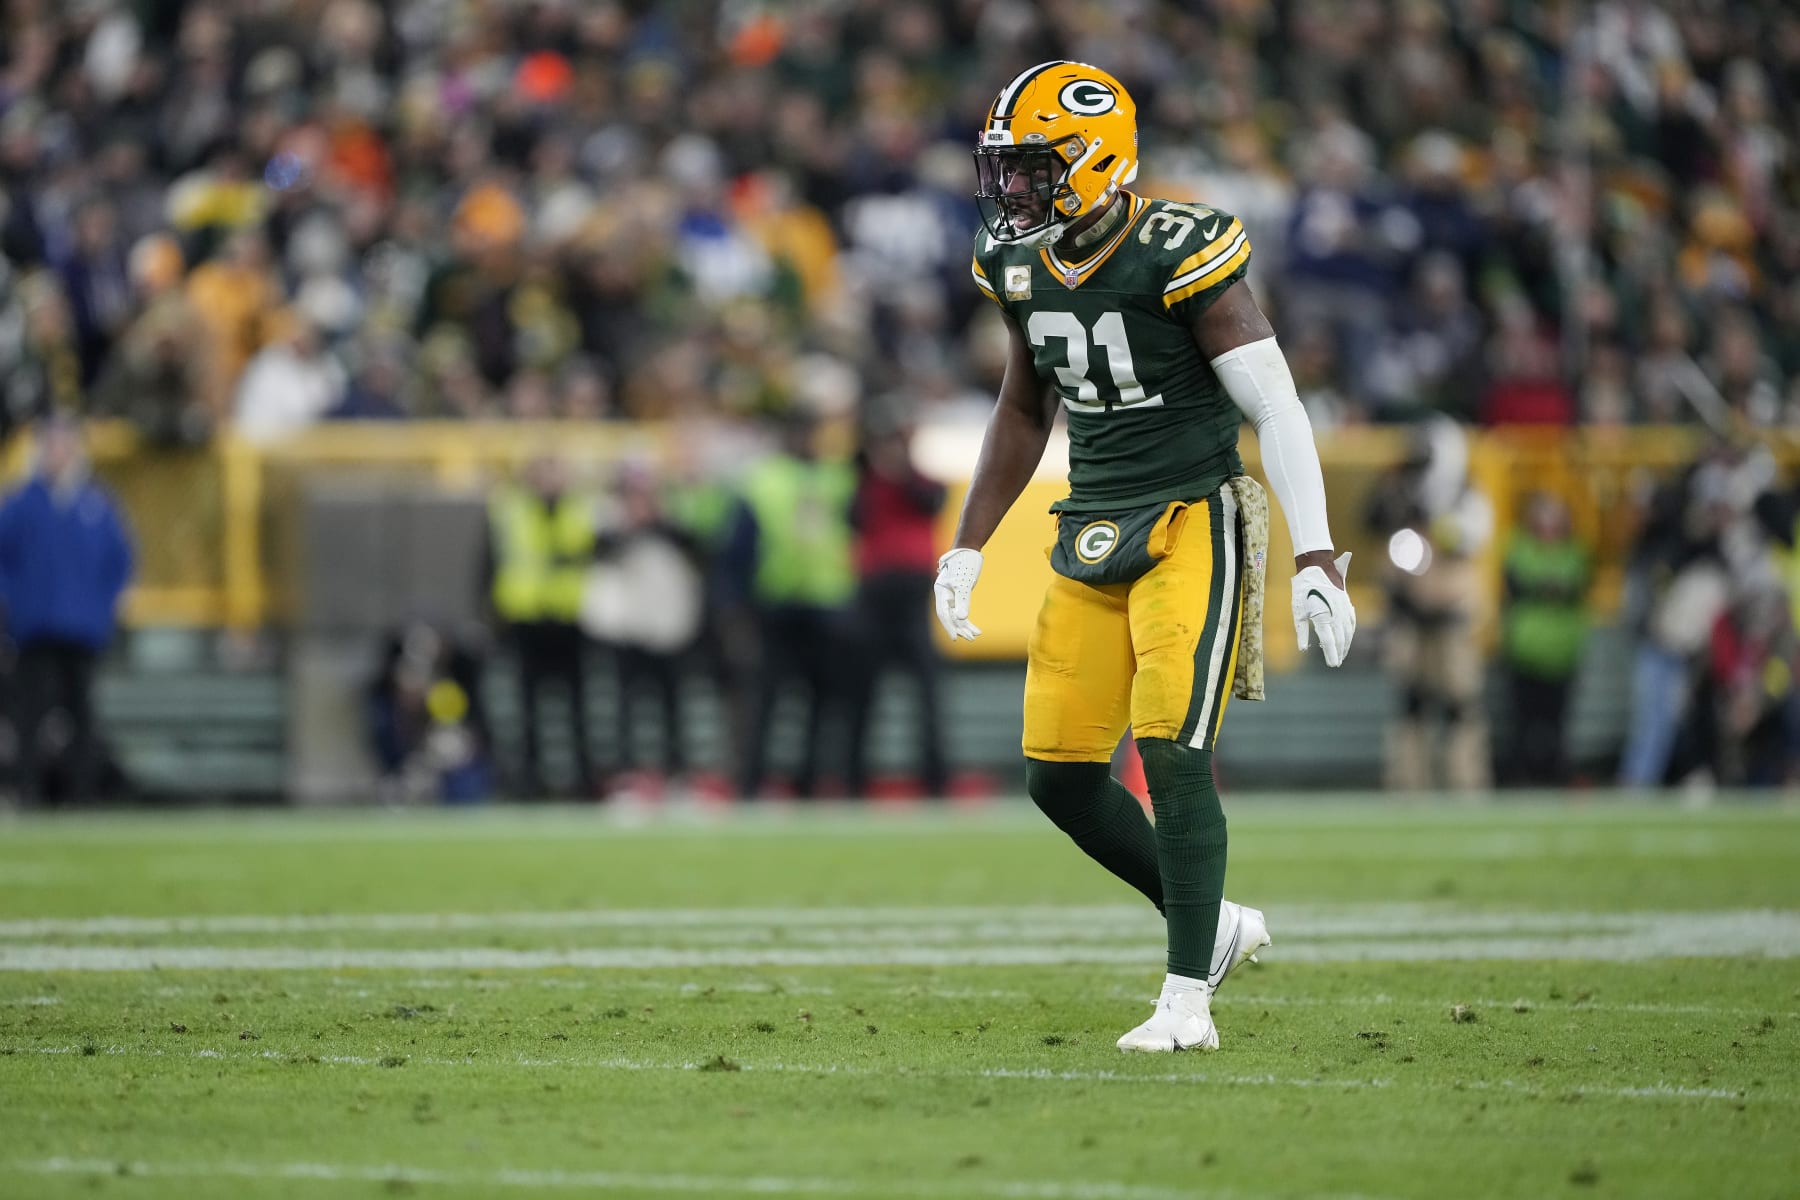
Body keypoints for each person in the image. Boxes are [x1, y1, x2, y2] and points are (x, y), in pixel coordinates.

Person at [934, 63, 1355, 1053]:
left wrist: (1317, 554)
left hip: (1193, 517)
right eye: (1005, 169)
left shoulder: (1178, 247)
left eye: (1033, 168)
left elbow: (1275, 405)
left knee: (1171, 747)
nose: (1012, 189)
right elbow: (1022, 407)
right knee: (1059, 775)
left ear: (1097, 160)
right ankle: (1215, 924)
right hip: (1090, 525)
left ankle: (1186, 1002)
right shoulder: (1017, 263)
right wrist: (968, 545)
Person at [722, 410, 857, 799]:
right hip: (777, 604)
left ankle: (810, 782)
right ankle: (751, 783)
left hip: (827, 603)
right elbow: (738, 548)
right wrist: (735, 606)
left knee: (822, 704)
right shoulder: (764, 479)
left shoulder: (837, 477)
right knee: (766, 700)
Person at [0, 416, 134, 805]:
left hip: (82, 628)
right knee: (30, 715)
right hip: (35, 626)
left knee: (82, 714)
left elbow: (119, 561)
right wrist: (12, 600)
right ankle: (28, 791)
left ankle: (82, 794)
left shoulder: (96, 503)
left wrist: (103, 607)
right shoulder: (21, 503)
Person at [484, 454, 600, 799]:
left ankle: (584, 781)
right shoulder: (512, 509)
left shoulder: (581, 509)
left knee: (578, 706)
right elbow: (491, 562)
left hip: (570, 617)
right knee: (527, 707)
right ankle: (528, 781)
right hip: (526, 618)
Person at [846, 417, 950, 799]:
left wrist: (901, 471)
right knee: (862, 691)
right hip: (874, 594)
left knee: (928, 692)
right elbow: (853, 519)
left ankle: (935, 779)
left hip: (911, 597)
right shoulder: (864, 483)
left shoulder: (922, 482)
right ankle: (854, 779)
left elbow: (931, 503)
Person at [1499, 492, 1592, 786]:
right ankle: (1522, 778)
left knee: (1558, 724)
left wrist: (1545, 586)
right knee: (1522, 723)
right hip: (1526, 652)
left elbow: (1573, 583)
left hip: (1562, 654)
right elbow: (1520, 581)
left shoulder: (1574, 552)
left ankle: (1555, 777)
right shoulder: (1521, 548)